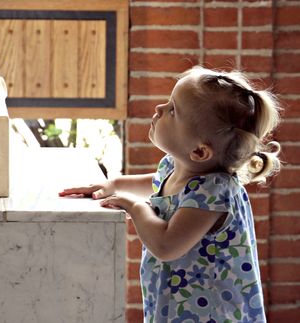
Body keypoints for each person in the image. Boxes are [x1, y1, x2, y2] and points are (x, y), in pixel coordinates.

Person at [59, 66, 281, 322]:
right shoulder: (175, 166)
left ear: (199, 152)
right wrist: (114, 184)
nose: (159, 109)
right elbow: (157, 185)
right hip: (178, 305)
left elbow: (166, 245)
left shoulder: (213, 193)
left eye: (173, 110)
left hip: (213, 314)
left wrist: (137, 207)